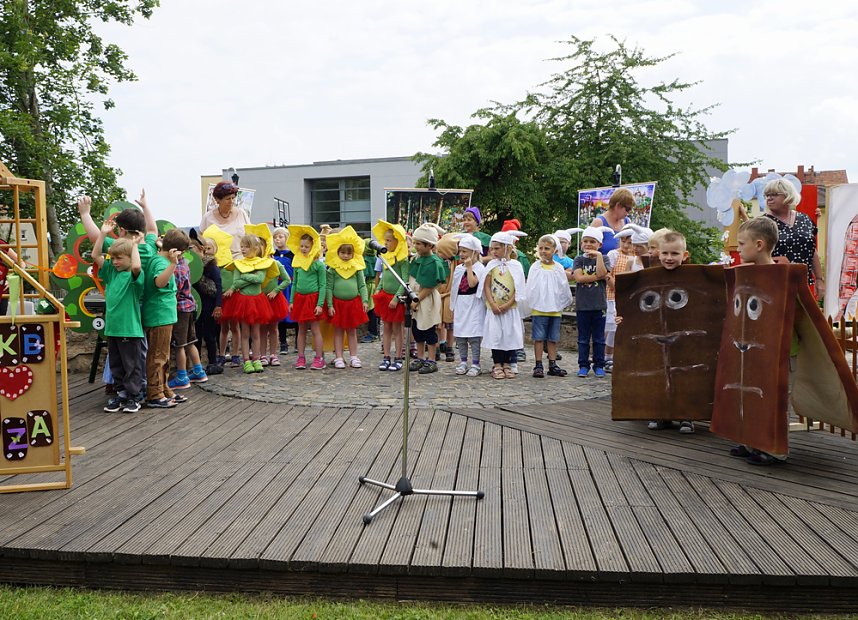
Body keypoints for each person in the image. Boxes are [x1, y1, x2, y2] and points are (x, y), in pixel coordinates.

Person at [728, 217, 788, 465]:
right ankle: (750, 440)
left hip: (774, 344)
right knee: (748, 390)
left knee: (771, 394)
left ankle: (774, 449)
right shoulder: (745, 273)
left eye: (742, 244)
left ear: (760, 244)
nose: (738, 249)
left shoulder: (781, 275)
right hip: (748, 342)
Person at [92, 223, 145, 413]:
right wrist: (103, 234)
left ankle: (134, 396)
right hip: (113, 329)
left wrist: (135, 246)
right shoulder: (111, 273)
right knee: (116, 365)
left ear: (129, 258)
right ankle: (121, 395)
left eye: (119, 258)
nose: (114, 262)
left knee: (132, 365)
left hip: (129, 330)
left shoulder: (133, 276)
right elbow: (95, 256)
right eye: (113, 258)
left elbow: (137, 265)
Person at [200, 181, 249, 366]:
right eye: (228, 199)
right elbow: (203, 242)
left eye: (233, 198)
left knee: (235, 318)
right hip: (216, 267)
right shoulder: (208, 218)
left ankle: (236, 353)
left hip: (237, 266)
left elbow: (249, 237)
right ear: (217, 200)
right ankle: (219, 354)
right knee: (220, 317)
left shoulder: (241, 213)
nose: (231, 202)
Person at [757, 178, 824, 298]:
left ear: (788, 195)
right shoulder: (762, 223)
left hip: (803, 284)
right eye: (767, 195)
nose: (769, 198)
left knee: (804, 316)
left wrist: (819, 279)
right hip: (774, 285)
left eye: (774, 194)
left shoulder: (805, 219)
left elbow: (812, 251)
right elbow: (754, 254)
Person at [222, 234, 274, 374]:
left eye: (246, 247)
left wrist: (244, 277)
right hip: (244, 302)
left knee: (256, 332)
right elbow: (236, 282)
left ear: (255, 248)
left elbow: (260, 279)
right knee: (245, 332)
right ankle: (246, 360)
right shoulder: (239, 264)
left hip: (257, 301)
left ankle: (256, 358)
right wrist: (251, 277)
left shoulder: (262, 263)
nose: (243, 249)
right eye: (242, 247)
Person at [479, 230, 528, 379]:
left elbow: (518, 287)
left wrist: (508, 304)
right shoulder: (491, 266)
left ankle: (507, 363)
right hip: (494, 309)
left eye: (497, 248)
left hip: (509, 309)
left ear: (507, 248)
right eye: (491, 248)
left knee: (509, 335)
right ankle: (497, 364)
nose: (493, 251)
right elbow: (486, 286)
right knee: (496, 336)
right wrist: (492, 303)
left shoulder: (516, 265)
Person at [165, 229, 208, 397]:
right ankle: (198, 371)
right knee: (191, 340)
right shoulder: (184, 263)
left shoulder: (175, 269)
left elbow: (174, 291)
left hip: (179, 309)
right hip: (189, 307)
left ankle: (182, 376)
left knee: (180, 344)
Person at [526, 234, 573, 378]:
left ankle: (552, 364)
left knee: (553, 338)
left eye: (547, 248)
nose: (543, 251)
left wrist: (560, 301)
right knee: (539, 337)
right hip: (539, 309)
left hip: (554, 309)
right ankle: (538, 364)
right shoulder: (536, 267)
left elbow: (563, 286)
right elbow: (531, 286)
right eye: (541, 248)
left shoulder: (558, 268)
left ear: (554, 250)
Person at [144, 229, 182, 407]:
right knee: (158, 356)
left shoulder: (159, 257)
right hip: (160, 315)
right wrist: (173, 264)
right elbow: (159, 282)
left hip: (163, 315)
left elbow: (161, 246)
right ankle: (155, 393)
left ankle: (164, 388)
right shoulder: (162, 263)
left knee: (164, 355)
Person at [605, 224, 650, 371]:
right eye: (634, 245)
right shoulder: (631, 261)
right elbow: (625, 283)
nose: (635, 249)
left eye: (639, 246)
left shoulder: (652, 261)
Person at [324, 226, 369, 369]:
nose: (345, 255)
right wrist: (330, 305)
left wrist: (365, 300)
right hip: (337, 304)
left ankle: (354, 356)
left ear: (353, 254)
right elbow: (329, 288)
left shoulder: (357, 267)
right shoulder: (333, 269)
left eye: (348, 253)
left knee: (352, 331)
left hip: (352, 303)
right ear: (337, 252)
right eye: (342, 252)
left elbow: (362, 285)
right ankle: (338, 357)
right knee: (337, 331)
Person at [570, 226, 611, 378]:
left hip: (599, 305)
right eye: (585, 241)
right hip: (583, 305)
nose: (588, 244)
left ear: (599, 244)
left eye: (592, 242)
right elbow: (579, 278)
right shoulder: (579, 259)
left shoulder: (604, 258)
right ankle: (583, 365)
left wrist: (599, 257)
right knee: (583, 338)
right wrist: (599, 277)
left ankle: (599, 364)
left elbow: (602, 272)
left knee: (599, 338)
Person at [407, 223, 448, 374]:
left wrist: (417, 300)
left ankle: (431, 359)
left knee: (429, 329)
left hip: (426, 299)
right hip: (415, 298)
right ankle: (420, 357)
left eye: (419, 243)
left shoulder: (434, 262)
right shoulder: (416, 259)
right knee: (417, 330)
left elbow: (430, 285)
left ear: (429, 245)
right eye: (415, 243)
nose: (416, 246)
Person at [372, 220, 409, 372]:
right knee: (386, 326)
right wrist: (378, 289)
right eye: (385, 240)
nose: (386, 243)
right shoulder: (384, 257)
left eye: (389, 240)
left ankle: (398, 357)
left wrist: (396, 298)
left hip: (396, 299)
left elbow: (404, 281)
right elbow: (384, 277)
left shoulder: (402, 260)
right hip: (385, 297)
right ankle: (386, 356)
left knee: (397, 329)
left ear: (397, 241)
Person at [288, 226, 326, 370]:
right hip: (300, 299)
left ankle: (318, 358)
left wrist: (320, 304)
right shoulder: (297, 264)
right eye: (301, 246)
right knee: (301, 329)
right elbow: (294, 283)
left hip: (313, 299)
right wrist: (291, 301)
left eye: (307, 246)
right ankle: (301, 357)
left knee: (315, 329)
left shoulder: (318, 265)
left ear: (313, 246)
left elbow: (322, 285)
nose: (303, 249)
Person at [450, 235, 487, 376]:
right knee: (460, 335)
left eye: (465, 251)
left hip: (474, 304)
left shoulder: (479, 268)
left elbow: (472, 283)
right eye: (461, 251)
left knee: (473, 335)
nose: (461, 254)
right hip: (461, 303)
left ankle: (476, 363)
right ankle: (463, 361)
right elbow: (455, 288)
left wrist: (470, 267)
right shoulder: (459, 268)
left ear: (475, 252)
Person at [254, 225, 291, 367]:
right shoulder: (257, 264)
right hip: (261, 299)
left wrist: (276, 290)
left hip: (274, 299)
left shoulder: (274, 262)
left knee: (273, 328)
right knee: (262, 328)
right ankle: (262, 355)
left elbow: (287, 280)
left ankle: (273, 354)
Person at [189, 231, 223, 373]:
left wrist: (218, 305)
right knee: (197, 334)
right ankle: (197, 365)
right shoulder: (190, 265)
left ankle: (213, 362)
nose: (190, 251)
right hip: (197, 303)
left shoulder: (210, 265)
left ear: (201, 249)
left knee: (210, 334)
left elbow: (218, 285)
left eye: (192, 248)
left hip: (209, 303)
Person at [271, 227, 297, 355]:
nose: (277, 239)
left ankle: (298, 342)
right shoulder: (272, 255)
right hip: (278, 286)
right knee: (280, 314)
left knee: (294, 313)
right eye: (275, 237)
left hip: (290, 285)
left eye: (280, 237)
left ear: (286, 238)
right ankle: (283, 343)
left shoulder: (293, 255)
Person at [435, 233, 459, 363]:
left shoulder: (455, 262)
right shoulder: (437, 260)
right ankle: (437, 347)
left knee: (450, 324)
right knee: (437, 324)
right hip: (438, 295)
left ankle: (450, 347)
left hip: (450, 295)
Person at [591, 187, 634, 256]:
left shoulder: (627, 222)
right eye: (627, 209)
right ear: (618, 205)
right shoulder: (599, 223)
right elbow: (589, 250)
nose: (628, 213)